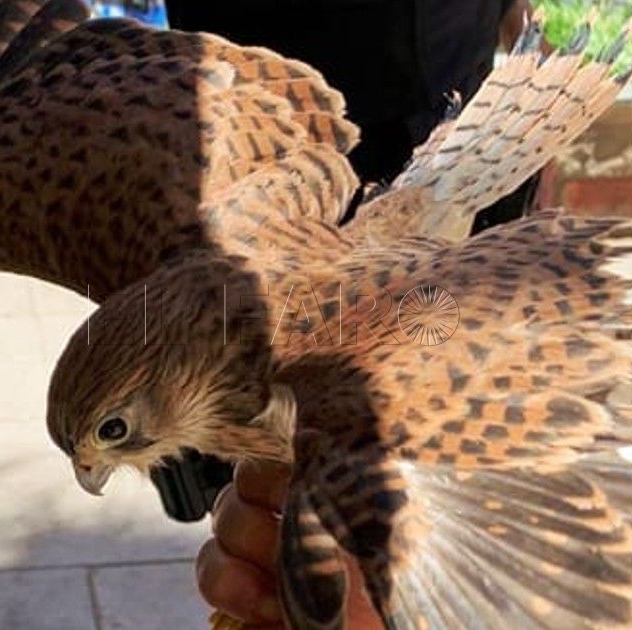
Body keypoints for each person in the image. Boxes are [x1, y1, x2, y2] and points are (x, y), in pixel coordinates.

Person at [163, 1, 549, 624]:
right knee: (271, 492)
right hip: (276, 150)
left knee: (432, 484)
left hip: (448, 133)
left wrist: (526, 59)